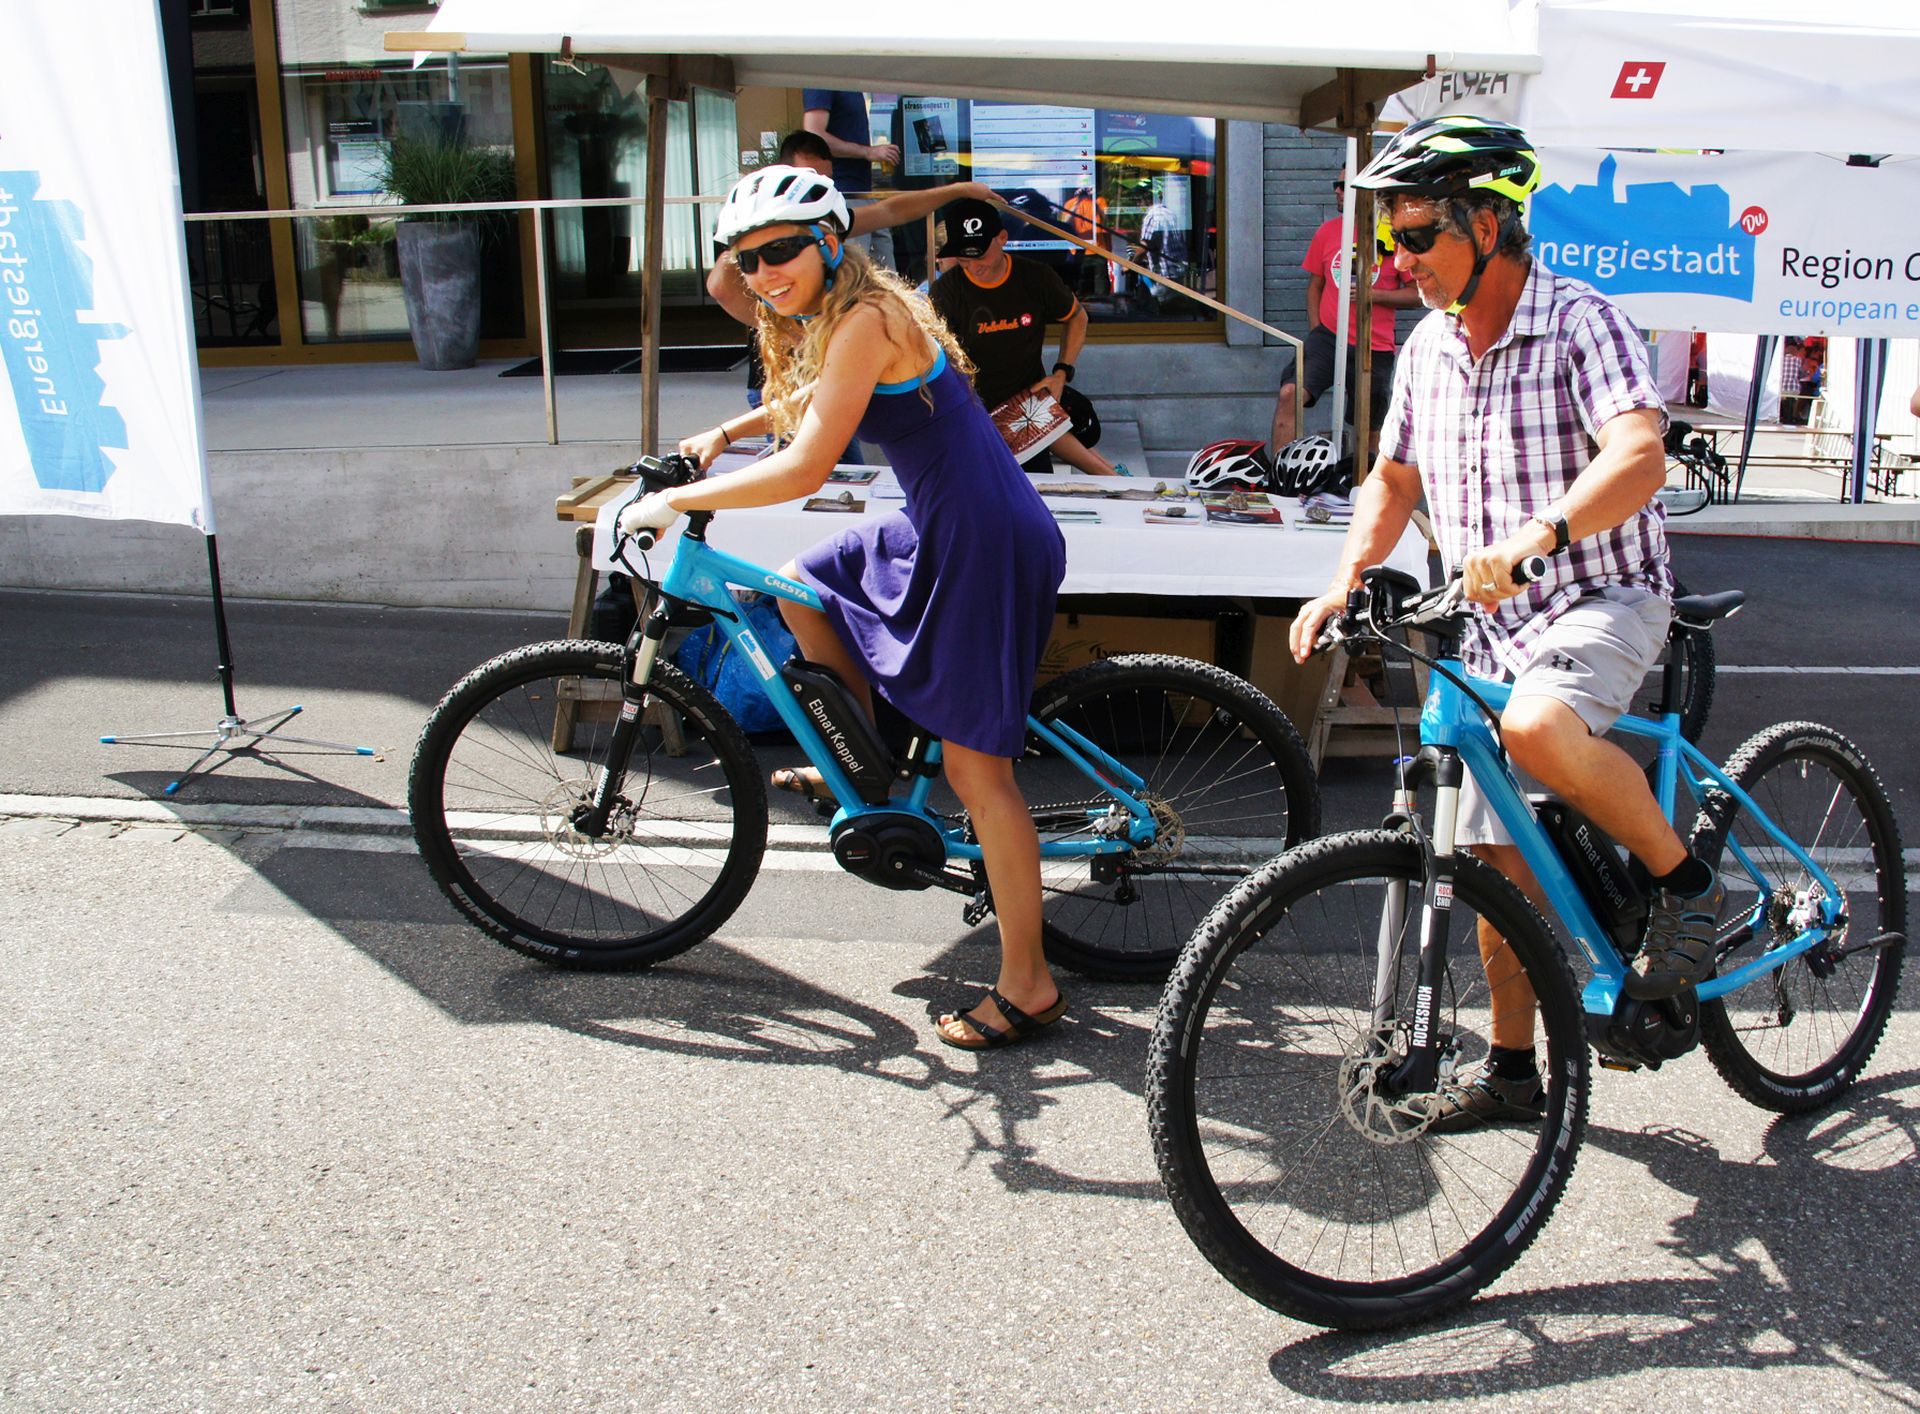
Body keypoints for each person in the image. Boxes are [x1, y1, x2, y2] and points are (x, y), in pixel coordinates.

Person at [1288, 116, 1725, 1130]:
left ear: (1487, 224)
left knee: (1535, 732)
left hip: (1599, 594)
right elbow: (1392, 477)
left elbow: (1639, 458)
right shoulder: (1432, 347)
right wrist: (1344, 578)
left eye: (1416, 237)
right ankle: (1514, 1068)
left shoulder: (1580, 321)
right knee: (1492, 853)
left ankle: (1686, 883)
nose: (1399, 263)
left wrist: (1539, 535)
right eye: (1389, 241)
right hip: (1485, 624)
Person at [622, 166, 1070, 1052]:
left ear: (830, 242)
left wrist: (680, 503)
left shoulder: (867, 318)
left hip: (980, 539)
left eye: (780, 250)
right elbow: (817, 399)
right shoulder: (855, 314)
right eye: (745, 260)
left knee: (980, 777)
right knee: (809, 584)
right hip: (946, 519)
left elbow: (807, 466)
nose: (762, 273)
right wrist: (727, 432)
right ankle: (856, 763)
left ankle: (1030, 982)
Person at [929, 197, 1123, 476]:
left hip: (1030, 405)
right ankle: (1116, 478)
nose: (973, 266)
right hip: (973, 414)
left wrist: (1062, 372)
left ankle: (1117, 480)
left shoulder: (1035, 277)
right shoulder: (945, 291)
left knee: (1041, 498)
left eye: (980, 255)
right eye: (963, 259)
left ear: (1002, 238)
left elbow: (1077, 317)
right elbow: (933, 358)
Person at [1271, 175, 1422, 447]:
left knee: (1369, 426)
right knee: (1289, 394)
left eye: (1343, 186)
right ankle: (1282, 479)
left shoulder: (1393, 237)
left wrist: (1373, 295)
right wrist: (1317, 328)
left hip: (1373, 344)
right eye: (1336, 185)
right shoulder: (1329, 231)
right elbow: (1315, 286)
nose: (1337, 191)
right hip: (1328, 336)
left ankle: (1360, 487)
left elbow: (1417, 294)